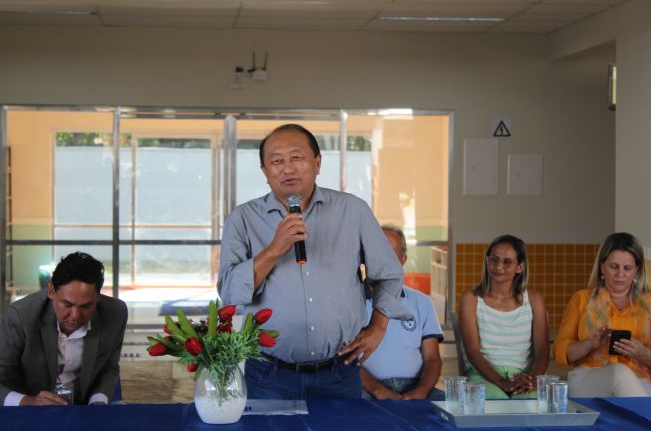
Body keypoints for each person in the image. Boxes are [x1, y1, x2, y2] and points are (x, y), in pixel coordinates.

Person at [218, 123, 410, 399]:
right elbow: (230, 293)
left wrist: (378, 327)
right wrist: (274, 249)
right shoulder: (242, 219)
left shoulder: (353, 210)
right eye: (276, 161)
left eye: (296, 157)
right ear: (265, 171)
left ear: (317, 163)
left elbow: (389, 274)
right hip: (269, 374)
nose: (287, 168)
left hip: (339, 372)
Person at [0, 252, 128, 406]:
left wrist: (98, 403)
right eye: (67, 305)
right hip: (29, 405)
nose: (75, 316)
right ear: (51, 291)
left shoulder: (115, 313)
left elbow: (108, 368)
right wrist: (29, 402)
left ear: (98, 297)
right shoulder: (19, 317)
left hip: (84, 404)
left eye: (86, 306)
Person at [554, 232, 651, 397]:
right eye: (614, 266)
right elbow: (560, 353)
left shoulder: (649, 303)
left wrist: (641, 352)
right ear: (601, 266)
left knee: (624, 377)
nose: (620, 274)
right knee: (619, 373)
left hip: (642, 380)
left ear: (637, 270)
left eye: (627, 268)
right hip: (588, 378)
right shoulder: (582, 299)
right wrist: (590, 344)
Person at [361, 225, 445, 401]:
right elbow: (343, 361)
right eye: (377, 249)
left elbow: (432, 359)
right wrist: (378, 390)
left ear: (403, 260)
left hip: (415, 386)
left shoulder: (421, 302)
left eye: (390, 251)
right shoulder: (349, 303)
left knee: (449, 409)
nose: (382, 257)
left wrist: (421, 391)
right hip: (367, 389)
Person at [459, 235, 549, 399]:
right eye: (494, 260)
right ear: (487, 261)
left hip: (524, 376)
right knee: (495, 404)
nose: (498, 266)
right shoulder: (471, 299)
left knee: (531, 406)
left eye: (507, 262)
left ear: (520, 267)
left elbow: (542, 350)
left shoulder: (534, 300)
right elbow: (472, 351)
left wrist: (533, 381)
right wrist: (501, 382)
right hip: (483, 376)